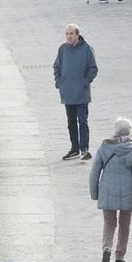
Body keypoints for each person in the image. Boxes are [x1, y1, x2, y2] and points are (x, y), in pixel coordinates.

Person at [89, 116, 132, 262]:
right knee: (124, 225)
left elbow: (94, 172)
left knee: (109, 223)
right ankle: (120, 257)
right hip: (127, 193)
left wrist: (95, 193)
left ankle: (106, 248)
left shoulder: (104, 147)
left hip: (107, 191)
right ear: (129, 132)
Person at [52, 24, 96, 160]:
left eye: (71, 33)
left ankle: (84, 149)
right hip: (68, 92)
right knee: (71, 121)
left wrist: (85, 82)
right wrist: (59, 82)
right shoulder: (63, 49)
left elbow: (93, 68)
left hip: (81, 93)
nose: (69, 36)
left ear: (77, 35)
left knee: (82, 120)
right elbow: (57, 66)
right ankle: (74, 148)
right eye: (67, 34)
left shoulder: (87, 49)